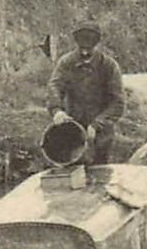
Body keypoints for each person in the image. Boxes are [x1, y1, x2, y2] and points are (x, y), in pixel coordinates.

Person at [47, 21, 125, 165]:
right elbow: (55, 86)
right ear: (76, 42)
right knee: (72, 175)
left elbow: (118, 103)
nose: (84, 52)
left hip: (102, 135)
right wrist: (57, 110)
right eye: (82, 48)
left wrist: (97, 125)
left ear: (96, 44)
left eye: (88, 48)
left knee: (100, 173)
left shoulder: (108, 66)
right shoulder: (66, 62)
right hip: (73, 132)